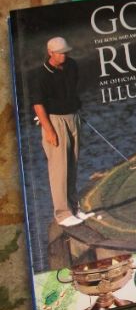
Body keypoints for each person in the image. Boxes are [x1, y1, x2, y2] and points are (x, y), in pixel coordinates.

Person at [30, 37, 93, 227]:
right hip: (54, 121)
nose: (64, 55)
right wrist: (49, 130)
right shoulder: (41, 75)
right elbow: (38, 105)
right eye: (60, 53)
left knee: (72, 164)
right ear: (50, 53)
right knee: (59, 168)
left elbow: (71, 92)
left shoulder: (72, 66)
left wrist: (75, 111)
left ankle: (74, 208)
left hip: (73, 117)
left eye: (66, 52)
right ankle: (63, 214)